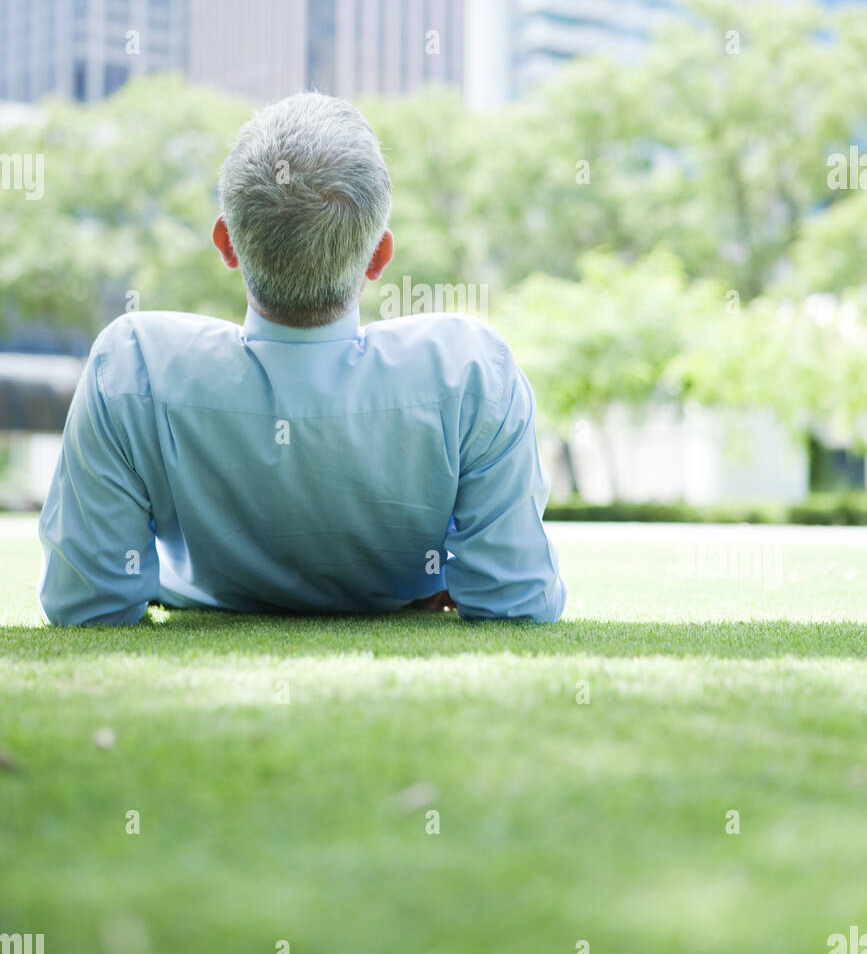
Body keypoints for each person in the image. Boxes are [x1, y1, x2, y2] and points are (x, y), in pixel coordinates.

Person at [39, 93, 566, 626]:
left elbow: (86, 604)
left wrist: (166, 583)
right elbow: (514, 604)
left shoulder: (130, 366)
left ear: (226, 243)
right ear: (380, 256)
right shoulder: (473, 370)